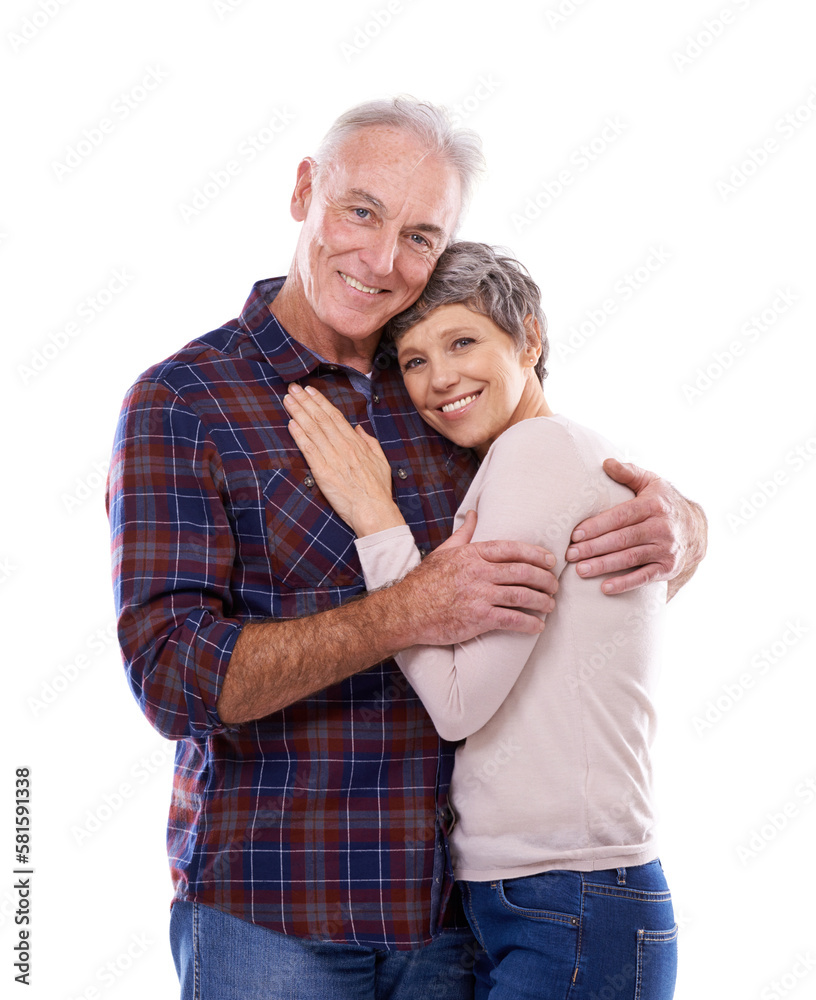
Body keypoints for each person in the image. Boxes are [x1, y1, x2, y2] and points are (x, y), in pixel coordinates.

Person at [106, 98, 705, 999]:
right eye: (361, 211)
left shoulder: (444, 384)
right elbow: (171, 677)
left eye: (420, 236)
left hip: (464, 920)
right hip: (275, 913)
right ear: (304, 192)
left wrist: (685, 526)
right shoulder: (185, 402)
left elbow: (574, 509)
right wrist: (406, 610)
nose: (383, 259)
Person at [283, 241, 680, 999]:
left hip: (572, 898)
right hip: (544, 896)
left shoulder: (540, 449)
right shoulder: (537, 457)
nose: (440, 379)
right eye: (415, 360)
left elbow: (458, 704)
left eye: (462, 342)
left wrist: (376, 519)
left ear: (529, 339)